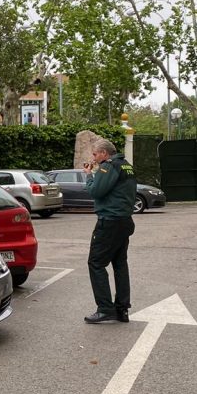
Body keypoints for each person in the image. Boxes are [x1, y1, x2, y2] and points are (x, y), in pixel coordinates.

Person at [82, 138, 137, 324]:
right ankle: (122, 309)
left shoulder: (108, 166)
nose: (94, 157)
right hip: (125, 221)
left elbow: (96, 192)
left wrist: (89, 176)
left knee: (96, 263)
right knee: (120, 264)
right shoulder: (127, 165)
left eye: (95, 154)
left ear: (105, 153)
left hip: (109, 221)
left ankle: (105, 309)